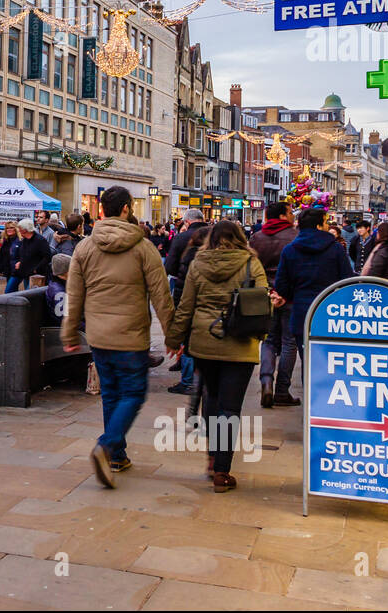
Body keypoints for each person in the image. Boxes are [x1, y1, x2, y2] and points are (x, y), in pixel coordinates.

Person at [62, 186, 174, 487]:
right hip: (131, 336)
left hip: (98, 336)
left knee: (111, 395)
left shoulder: (84, 247)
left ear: (102, 210)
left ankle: (117, 456)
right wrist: (173, 336)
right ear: (126, 209)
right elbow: (162, 295)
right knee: (133, 394)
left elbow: (74, 295)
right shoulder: (143, 247)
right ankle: (107, 445)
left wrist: (69, 331)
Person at [165, 220, 267, 493]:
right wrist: (263, 336)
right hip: (240, 343)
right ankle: (223, 471)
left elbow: (185, 306)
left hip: (205, 342)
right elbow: (262, 301)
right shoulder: (250, 263)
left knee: (211, 398)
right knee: (230, 408)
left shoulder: (199, 263)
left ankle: (212, 455)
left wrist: (174, 339)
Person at [271, 207, 355, 395]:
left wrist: (292, 295)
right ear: (318, 225)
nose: (327, 226)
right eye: (325, 223)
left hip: (301, 312)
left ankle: (311, 404)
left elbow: (282, 284)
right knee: (330, 361)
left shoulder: (290, 250)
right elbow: (346, 280)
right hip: (331, 313)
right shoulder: (335, 249)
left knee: (306, 358)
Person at [250, 201, 299, 409]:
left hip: (265, 294)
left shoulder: (256, 238)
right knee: (289, 342)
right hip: (290, 296)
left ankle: (266, 381)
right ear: (281, 216)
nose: (292, 216)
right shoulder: (295, 237)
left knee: (269, 341)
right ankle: (282, 390)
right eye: (289, 212)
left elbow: (251, 268)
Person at [164, 209, 211, 395]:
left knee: (186, 334)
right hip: (211, 292)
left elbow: (170, 267)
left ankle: (188, 380)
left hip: (184, 289)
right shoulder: (215, 235)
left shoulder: (182, 239)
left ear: (187, 222)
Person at [8, 217, 52, 293]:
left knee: (29, 295)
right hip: (24, 272)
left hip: (35, 275)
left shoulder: (40, 240)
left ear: (24, 230)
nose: (18, 230)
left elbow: (47, 257)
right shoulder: (24, 240)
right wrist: (20, 261)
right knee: (15, 291)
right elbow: (23, 254)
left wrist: (36, 269)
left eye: (20, 228)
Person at [0, 220, 19, 285]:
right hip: (8, 270)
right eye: (7, 228)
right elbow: (2, 255)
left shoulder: (19, 241)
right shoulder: (6, 241)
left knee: (9, 290)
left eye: (11, 228)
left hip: (17, 271)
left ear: (16, 229)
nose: (9, 230)